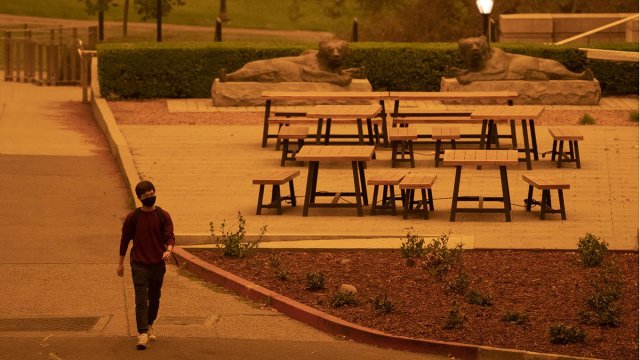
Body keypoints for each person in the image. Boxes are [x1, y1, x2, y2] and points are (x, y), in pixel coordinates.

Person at [117, 180, 175, 350]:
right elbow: (124, 240)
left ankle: (149, 324)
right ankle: (142, 333)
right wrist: (120, 264)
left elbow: (170, 236)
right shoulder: (133, 218)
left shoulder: (163, 215)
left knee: (155, 297)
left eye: (152, 194)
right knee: (141, 298)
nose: (151, 197)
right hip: (139, 263)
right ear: (140, 198)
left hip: (157, 263)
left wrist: (169, 250)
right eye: (146, 196)